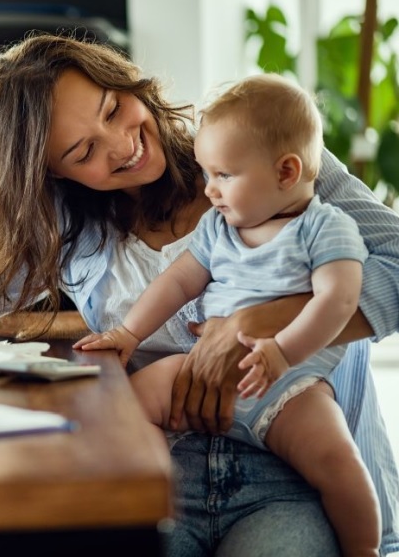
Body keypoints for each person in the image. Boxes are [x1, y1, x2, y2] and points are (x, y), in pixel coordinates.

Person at [0, 33, 399, 556]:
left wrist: (263, 320)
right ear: (50, 176)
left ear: (123, 81)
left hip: (295, 468)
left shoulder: (261, 155)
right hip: (159, 467)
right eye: (83, 153)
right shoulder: (72, 223)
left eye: (112, 109)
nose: (123, 144)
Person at [73, 73, 379, 556]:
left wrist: (280, 351)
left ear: (285, 173)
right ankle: (154, 494)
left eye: (224, 176)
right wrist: (129, 332)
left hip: (289, 384)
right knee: (131, 401)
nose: (209, 190)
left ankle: (364, 547)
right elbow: (177, 281)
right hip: (202, 368)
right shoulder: (219, 228)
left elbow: (337, 303)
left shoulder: (325, 227)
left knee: (336, 458)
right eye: (207, 174)